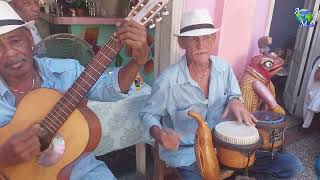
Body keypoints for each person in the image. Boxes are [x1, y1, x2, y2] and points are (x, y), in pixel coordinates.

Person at [140, 9, 302, 180]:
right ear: (182, 43)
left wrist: (236, 101)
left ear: (213, 40)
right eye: (194, 39)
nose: (201, 45)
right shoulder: (168, 81)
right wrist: (159, 134)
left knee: (290, 166)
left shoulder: (223, 68)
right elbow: (148, 114)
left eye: (206, 37)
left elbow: (234, 95)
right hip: (189, 155)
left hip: (225, 146)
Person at [0, 1, 148, 180]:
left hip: (80, 168)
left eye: (15, 41)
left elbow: (108, 87)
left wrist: (137, 62)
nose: (9, 53)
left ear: (30, 39)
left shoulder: (65, 71)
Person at [303, 58, 320, 128]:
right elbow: (317, 76)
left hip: (315, 90)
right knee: (310, 112)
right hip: (315, 90)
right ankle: (307, 127)